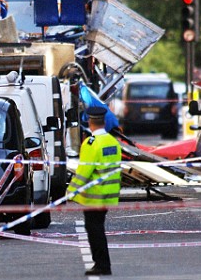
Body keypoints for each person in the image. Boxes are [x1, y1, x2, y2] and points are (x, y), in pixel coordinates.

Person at [66, 106, 122, 276]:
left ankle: (102, 265)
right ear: (103, 122)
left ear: (90, 122)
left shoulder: (91, 143)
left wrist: (71, 192)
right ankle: (103, 264)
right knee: (98, 229)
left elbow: (84, 172)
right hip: (109, 195)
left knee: (94, 230)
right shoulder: (112, 142)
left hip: (94, 196)